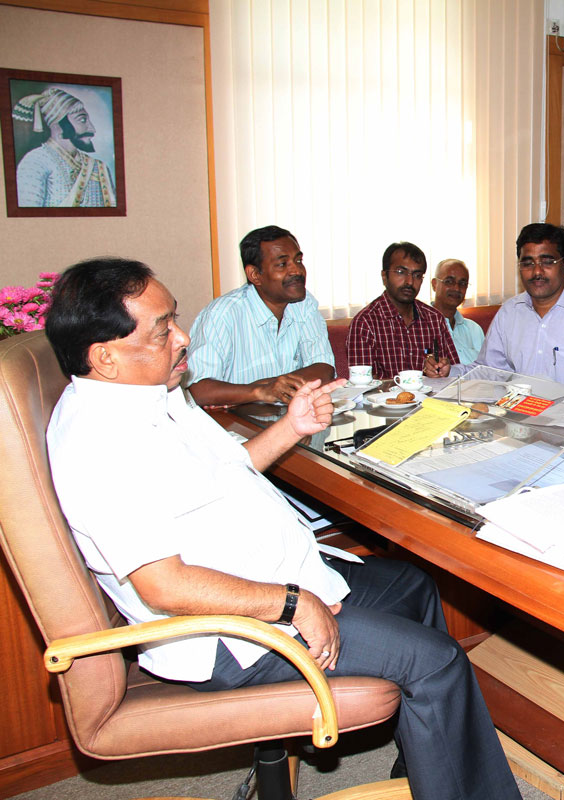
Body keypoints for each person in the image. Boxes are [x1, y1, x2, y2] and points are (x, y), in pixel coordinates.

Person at [44, 259, 520, 800]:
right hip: (227, 632)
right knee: (438, 662)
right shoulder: (100, 442)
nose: (183, 337)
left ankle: (426, 763)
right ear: (104, 356)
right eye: (163, 330)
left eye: (175, 318)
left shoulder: (157, 395)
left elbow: (231, 467)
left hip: (268, 572)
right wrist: (292, 604)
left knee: (411, 585)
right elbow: (164, 586)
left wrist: (293, 426)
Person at [442, 223, 564, 390]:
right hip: (518, 423)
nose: (537, 271)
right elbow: (489, 372)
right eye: (528, 263)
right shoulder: (510, 313)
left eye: (547, 262)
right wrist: (449, 371)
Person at [187, 226, 335, 406]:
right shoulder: (222, 315)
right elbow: (199, 390)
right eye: (282, 264)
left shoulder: (304, 304)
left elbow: (324, 369)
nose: (297, 271)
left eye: (298, 260)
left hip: (292, 419)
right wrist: (261, 391)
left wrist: (273, 387)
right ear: (255, 275)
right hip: (235, 426)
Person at [346, 242, 460, 379]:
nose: (410, 282)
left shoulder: (434, 319)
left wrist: (444, 369)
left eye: (417, 275)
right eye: (401, 272)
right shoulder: (365, 323)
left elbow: (456, 375)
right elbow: (362, 384)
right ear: (384, 276)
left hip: (433, 399)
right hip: (383, 400)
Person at [12, 87, 117, 207]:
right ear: (58, 124)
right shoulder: (34, 162)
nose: (92, 129)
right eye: (82, 120)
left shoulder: (99, 167)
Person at [431, 258, 485, 364]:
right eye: (449, 281)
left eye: (463, 283)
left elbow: (489, 369)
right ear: (434, 284)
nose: (456, 288)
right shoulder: (420, 327)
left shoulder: (474, 329)